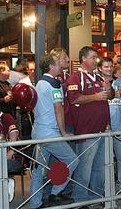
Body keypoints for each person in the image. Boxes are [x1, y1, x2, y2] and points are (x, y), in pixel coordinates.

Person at [29, 53, 78, 209]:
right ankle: (54, 193)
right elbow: (58, 109)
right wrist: (63, 132)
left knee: (38, 170)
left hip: (38, 132)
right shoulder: (54, 84)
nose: (60, 66)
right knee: (73, 160)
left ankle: (35, 203)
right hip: (50, 134)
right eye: (58, 63)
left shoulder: (39, 83)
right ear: (51, 66)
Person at [67, 46, 111, 203]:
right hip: (87, 130)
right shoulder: (76, 77)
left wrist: (109, 89)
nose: (95, 60)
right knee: (84, 168)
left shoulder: (98, 77)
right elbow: (74, 98)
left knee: (100, 167)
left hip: (101, 129)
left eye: (95, 57)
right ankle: (80, 199)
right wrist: (96, 96)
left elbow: (108, 96)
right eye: (92, 57)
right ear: (83, 59)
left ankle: (96, 196)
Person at [100, 58, 121, 192]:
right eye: (105, 66)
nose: (108, 68)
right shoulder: (97, 83)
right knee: (104, 160)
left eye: (110, 66)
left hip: (119, 125)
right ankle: (106, 186)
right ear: (100, 68)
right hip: (102, 128)